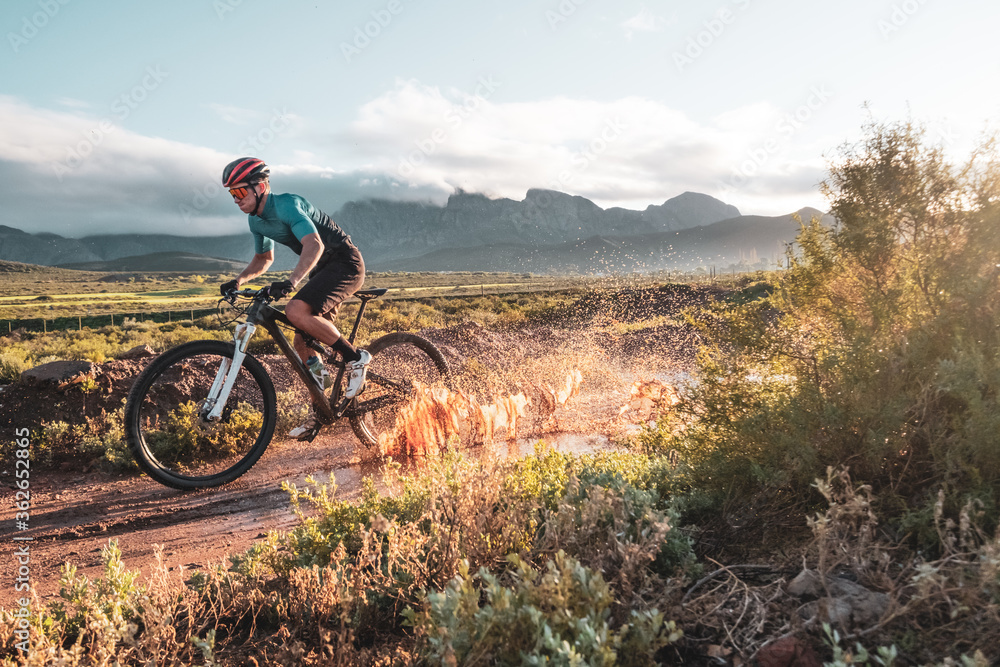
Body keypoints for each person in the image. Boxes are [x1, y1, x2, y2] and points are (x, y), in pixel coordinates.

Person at [218, 157, 370, 440]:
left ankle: (356, 358)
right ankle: (322, 407)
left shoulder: (287, 204)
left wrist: (290, 282)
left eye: (239, 192)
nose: (236, 200)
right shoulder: (256, 221)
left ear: (260, 186)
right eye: (231, 194)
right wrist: (238, 281)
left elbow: (314, 244)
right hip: (322, 270)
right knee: (302, 342)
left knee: (295, 310)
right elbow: (264, 259)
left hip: (345, 263)